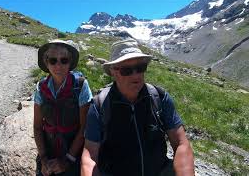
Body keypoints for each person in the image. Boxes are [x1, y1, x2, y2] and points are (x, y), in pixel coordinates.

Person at [81, 39, 195, 176]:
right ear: (113, 72)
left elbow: (181, 143)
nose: (136, 75)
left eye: (140, 68)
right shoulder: (100, 105)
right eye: (126, 70)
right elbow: (89, 156)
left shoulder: (159, 97)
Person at [33, 39, 93, 176]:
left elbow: (84, 127)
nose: (58, 65)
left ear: (70, 62)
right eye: (53, 60)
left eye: (64, 60)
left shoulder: (81, 85)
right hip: (49, 150)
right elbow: (37, 126)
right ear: (46, 63)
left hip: (74, 151)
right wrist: (43, 159)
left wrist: (68, 159)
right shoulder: (41, 88)